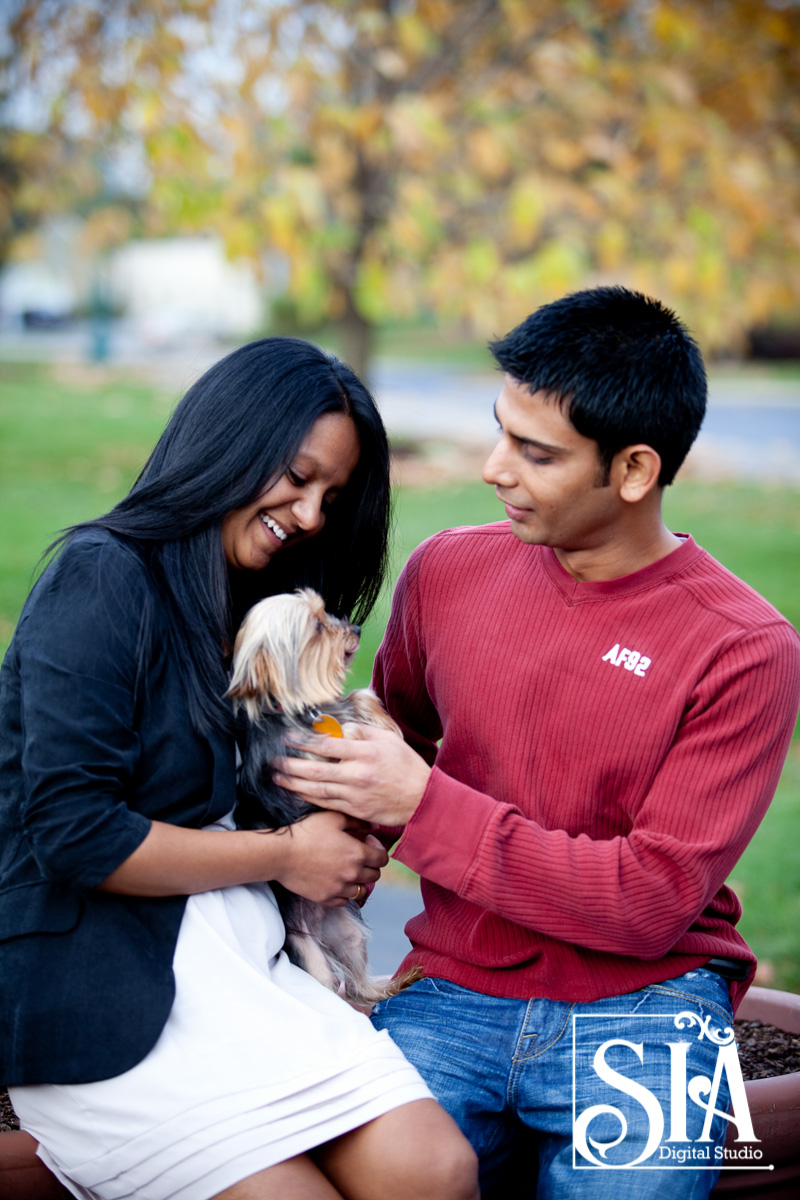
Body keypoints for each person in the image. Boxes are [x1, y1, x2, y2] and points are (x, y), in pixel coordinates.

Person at [273, 289, 800, 1199]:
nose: (493, 468)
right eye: (500, 432)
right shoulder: (450, 570)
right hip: (448, 985)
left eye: (536, 452)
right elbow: (392, 742)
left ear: (635, 470)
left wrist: (421, 803)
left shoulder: (743, 648)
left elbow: (650, 902)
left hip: (652, 1006)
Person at [0, 337, 479, 1200]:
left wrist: (340, 823)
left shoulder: (254, 610)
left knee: (435, 1168)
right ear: (228, 443)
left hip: (250, 972)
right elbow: (76, 835)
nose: (309, 515)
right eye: (296, 478)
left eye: (330, 496)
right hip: (104, 996)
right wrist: (288, 855)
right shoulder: (103, 576)